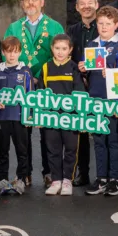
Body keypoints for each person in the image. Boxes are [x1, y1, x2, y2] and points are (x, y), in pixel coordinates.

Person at [4, 0, 65, 187]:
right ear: (22, 4)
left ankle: (49, 172)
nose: (31, 3)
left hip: (46, 84)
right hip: (20, 87)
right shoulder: (13, 27)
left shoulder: (55, 26)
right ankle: (25, 173)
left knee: (48, 130)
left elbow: (59, 56)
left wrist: (38, 76)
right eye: (26, 0)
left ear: (42, 2)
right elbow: (6, 55)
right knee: (23, 131)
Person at [83, 6, 118, 196]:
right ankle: (101, 177)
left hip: (113, 100)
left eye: (108, 24)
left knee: (114, 140)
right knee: (99, 140)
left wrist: (112, 75)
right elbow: (88, 77)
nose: (103, 27)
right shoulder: (92, 46)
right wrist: (83, 68)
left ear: (116, 25)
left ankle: (115, 179)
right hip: (95, 99)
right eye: (100, 23)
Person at [38, 35, 84, 196]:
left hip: (70, 118)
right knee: (53, 149)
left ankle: (67, 180)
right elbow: (40, 94)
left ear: (70, 50)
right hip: (51, 118)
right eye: (57, 48)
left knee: (71, 149)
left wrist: (80, 116)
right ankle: (56, 180)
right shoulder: (45, 68)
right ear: (52, 48)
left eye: (64, 48)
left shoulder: (74, 68)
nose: (60, 52)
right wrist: (39, 115)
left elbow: (80, 94)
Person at [67, 0, 99, 187]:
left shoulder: (104, 28)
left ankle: (110, 173)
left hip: (98, 84)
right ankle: (83, 172)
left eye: (90, 2)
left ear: (97, 4)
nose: (86, 6)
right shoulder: (71, 31)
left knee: (104, 131)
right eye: (82, 4)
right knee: (81, 133)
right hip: (79, 86)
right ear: (77, 7)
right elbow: (68, 59)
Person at [0, 36, 33, 195]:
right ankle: (2, 180)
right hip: (3, 117)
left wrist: (30, 115)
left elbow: (31, 94)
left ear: (20, 53)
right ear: (3, 52)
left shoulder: (25, 71)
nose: (11, 56)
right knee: (3, 151)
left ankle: (21, 179)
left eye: (15, 52)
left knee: (22, 150)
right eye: (8, 52)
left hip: (20, 117)